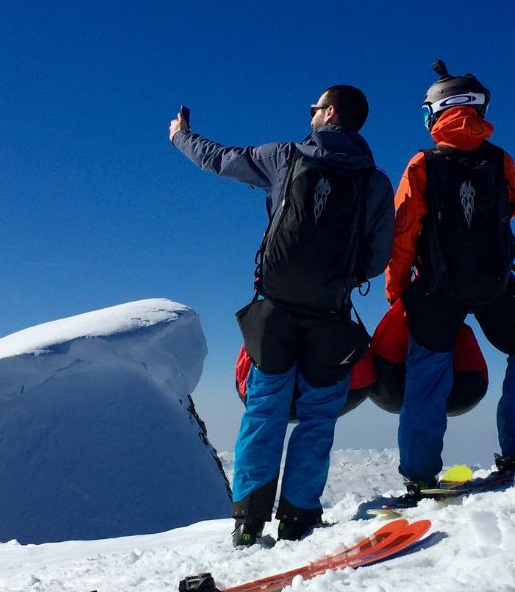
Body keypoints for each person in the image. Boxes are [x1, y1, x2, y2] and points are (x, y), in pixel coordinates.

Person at [169, 86, 394, 546]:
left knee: (264, 408)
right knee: (317, 415)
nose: (310, 113)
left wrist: (180, 137)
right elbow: (377, 257)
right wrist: (340, 279)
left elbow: (219, 158)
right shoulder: (374, 181)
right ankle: (299, 520)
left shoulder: (284, 158)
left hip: (275, 309)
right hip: (331, 315)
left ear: (328, 114)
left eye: (314, 107)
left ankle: (248, 524)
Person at [386, 61, 515, 490]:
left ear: (436, 111)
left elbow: (402, 232)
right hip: (495, 284)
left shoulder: (422, 163)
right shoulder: (501, 160)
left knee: (426, 374)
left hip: (437, 289)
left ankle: (420, 477)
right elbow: (512, 208)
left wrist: (398, 292)